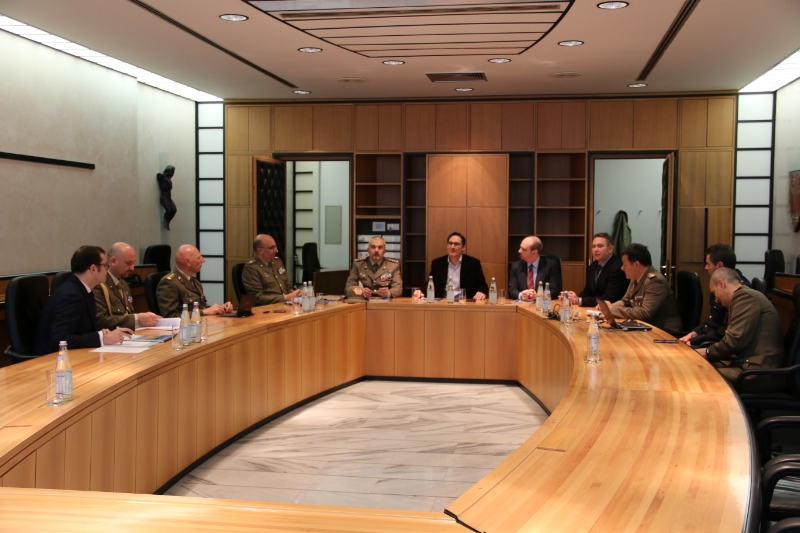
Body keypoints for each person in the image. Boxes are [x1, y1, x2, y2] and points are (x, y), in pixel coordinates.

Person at [695, 267, 784, 387]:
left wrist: (707, 352)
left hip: (757, 370)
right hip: (745, 362)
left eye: (714, 293)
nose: (716, 299)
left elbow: (734, 340)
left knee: (699, 374)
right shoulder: (743, 296)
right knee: (697, 366)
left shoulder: (744, 297)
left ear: (721, 284)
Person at [34, 246, 132, 355]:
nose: (107, 270)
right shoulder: (71, 296)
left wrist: (102, 333)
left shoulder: (84, 290)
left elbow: (80, 330)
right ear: (93, 268)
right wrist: (101, 338)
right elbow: (59, 339)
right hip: (53, 359)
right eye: (105, 266)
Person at [679, 243, 751, 347]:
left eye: (708, 264)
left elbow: (724, 331)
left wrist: (696, 341)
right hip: (710, 339)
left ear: (720, 266)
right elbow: (713, 320)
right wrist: (695, 333)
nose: (706, 268)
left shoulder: (738, 291)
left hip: (719, 344)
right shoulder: (719, 283)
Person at [608, 243, 683, 332]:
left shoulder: (655, 281)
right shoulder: (635, 277)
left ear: (636, 265)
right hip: (645, 327)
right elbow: (625, 301)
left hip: (664, 331)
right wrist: (608, 308)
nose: (622, 268)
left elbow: (645, 313)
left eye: (625, 264)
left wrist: (613, 310)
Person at [93, 242, 160, 330]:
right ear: (113, 261)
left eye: (133, 263)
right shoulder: (99, 285)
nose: (132, 268)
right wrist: (137, 319)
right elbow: (100, 321)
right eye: (128, 263)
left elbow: (126, 314)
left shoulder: (123, 284)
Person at [157, 244, 233, 318]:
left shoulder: (195, 282)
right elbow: (170, 316)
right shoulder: (169, 283)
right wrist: (204, 312)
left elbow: (201, 307)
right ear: (188, 262)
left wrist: (221, 308)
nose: (203, 260)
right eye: (198, 258)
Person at [567, 232, 627, 307]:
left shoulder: (618, 267)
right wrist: (573, 298)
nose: (595, 250)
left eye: (600, 246)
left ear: (610, 249)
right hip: (595, 309)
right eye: (593, 246)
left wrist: (579, 300)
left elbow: (609, 298)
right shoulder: (593, 266)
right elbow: (588, 291)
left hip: (612, 310)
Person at [241, 234, 302, 305]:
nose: (276, 250)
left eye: (276, 247)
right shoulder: (251, 268)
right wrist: (286, 297)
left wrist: (296, 293)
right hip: (268, 308)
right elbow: (257, 298)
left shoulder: (277, 262)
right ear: (260, 250)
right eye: (272, 248)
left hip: (285, 305)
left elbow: (288, 287)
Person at [428, 232, 488, 300]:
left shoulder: (473, 263)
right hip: (443, 301)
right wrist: (420, 291)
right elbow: (430, 283)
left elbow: (482, 285)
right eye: (450, 243)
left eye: (456, 244)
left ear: (463, 247)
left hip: (464, 302)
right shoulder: (437, 263)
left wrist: (482, 292)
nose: (452, 247)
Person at [508, 236, 561, 301]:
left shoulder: (551, 265)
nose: (519, 251)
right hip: (523, 304)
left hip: (542, 304)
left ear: (534, 253)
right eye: (520, 247)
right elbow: (511, 290)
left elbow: (555, 291)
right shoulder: (516, 266)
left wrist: (538, 296)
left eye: (523, 249)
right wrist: (522, 295)